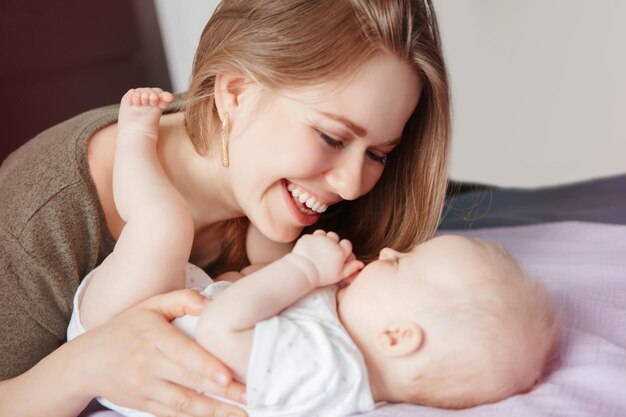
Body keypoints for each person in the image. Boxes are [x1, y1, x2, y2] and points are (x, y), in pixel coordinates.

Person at [0, 1, 451, 416]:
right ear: (234, 93)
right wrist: (84, 366)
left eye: (378, 154)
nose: (353, 186)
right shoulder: (40, 223)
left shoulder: (295, 189)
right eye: (332, 137)